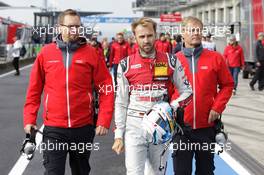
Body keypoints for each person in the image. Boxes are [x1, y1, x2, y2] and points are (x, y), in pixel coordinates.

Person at [23, 9, 114, 175]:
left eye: (78, 27)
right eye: (71, 26)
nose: (75, 30)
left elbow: (106, 87)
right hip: (54, 128)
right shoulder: (46, 53)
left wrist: (104, 119)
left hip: (83, 128)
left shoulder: (91, 53)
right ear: (59, 27)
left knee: (81, 172)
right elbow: (34, 90)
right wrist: (30, 118)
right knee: (52, 172)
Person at [112, 17, 193, 175]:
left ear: (155, 35)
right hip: (134, 126)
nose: (146, 40)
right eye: (141, 37)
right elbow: (121, 102)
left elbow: (188, 91)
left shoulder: (170, 61)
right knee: (134, 173)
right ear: (135, 38)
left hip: (161, 126)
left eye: (149, 35)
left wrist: (171, 107)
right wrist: (118, 135)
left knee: (156, 173)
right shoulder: (125, 64)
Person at [172, 16, 234, 175]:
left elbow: (227, 85)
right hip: (180, 130)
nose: (196, 33)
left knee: (206, 171)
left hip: (207, 128)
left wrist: (217, 107)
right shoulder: (172, 61)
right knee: (181, 172)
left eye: (199, 30)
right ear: (183, 33)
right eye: (192, 30)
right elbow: (165, 90)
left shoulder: (215, 58)